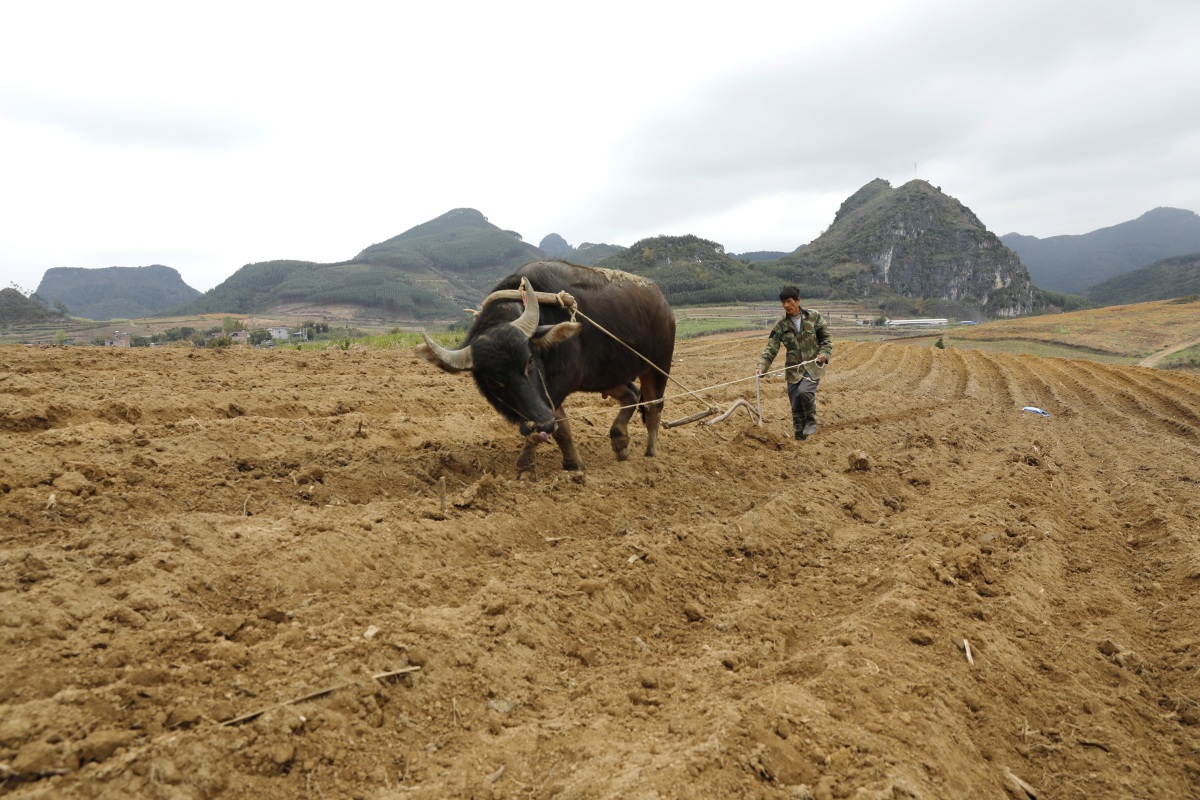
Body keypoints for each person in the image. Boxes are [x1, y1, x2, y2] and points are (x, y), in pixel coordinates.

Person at [756, 286, 832, 440]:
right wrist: (761, 367)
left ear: (798, 301)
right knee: (796, 405)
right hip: (793, 371)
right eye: (783, 302)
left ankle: (811, 420)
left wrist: (824, 354)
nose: (786, 305)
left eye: (789, 301)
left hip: (813, 367)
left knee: (804, 392)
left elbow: (826, 339)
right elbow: (771, 349)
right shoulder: (781, 325)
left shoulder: (814, 317)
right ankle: (800, 439)